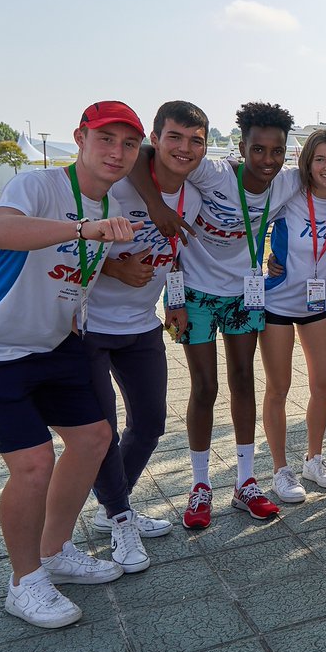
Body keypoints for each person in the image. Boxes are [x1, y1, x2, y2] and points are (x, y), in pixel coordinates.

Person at [0, 101, 144, 629]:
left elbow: (74, 272)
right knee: (32, 465)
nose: (116, 152)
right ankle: (24, 582)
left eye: (128, 143)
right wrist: (82, 231)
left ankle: (55, 551)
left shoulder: (114, 200)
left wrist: (119, 266)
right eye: (106, 139)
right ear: (80, 137)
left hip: (54, 344)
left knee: (94, 439)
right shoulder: (38, 185)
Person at [133, 102, 301, 528]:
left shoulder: (286, 183)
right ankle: (201, 485)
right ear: (241, 147)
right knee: (204, 387)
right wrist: (155, 205)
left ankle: (246, 482)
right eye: (258, 150)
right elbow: (140, 155)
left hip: (245, 294)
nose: (267, 160)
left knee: (244, 379)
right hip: (196, 294)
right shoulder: (215, 174)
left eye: (276, 151)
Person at [84, 101, 207, 572]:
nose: (185, 148)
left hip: (141, 326)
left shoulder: (190, 199)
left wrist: (173, 299)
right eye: (174, 137)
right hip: (90, 325)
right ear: (156, 139)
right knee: (101, 432)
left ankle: (110, 505)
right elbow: (70, 242)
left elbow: (172, 250)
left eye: (195, 140)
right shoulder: (113, 188)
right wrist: (113, 265)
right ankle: (119, 519)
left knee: (151, 424)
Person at [260, 129, 326, 501]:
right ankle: (280, 470)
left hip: (319, 307)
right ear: (307, 164)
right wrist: (259, 267)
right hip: (278, 305)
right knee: (280, 387)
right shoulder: (290, 195)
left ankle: (314, 459)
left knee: (323, 384)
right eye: (319, 159)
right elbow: (251, 224)